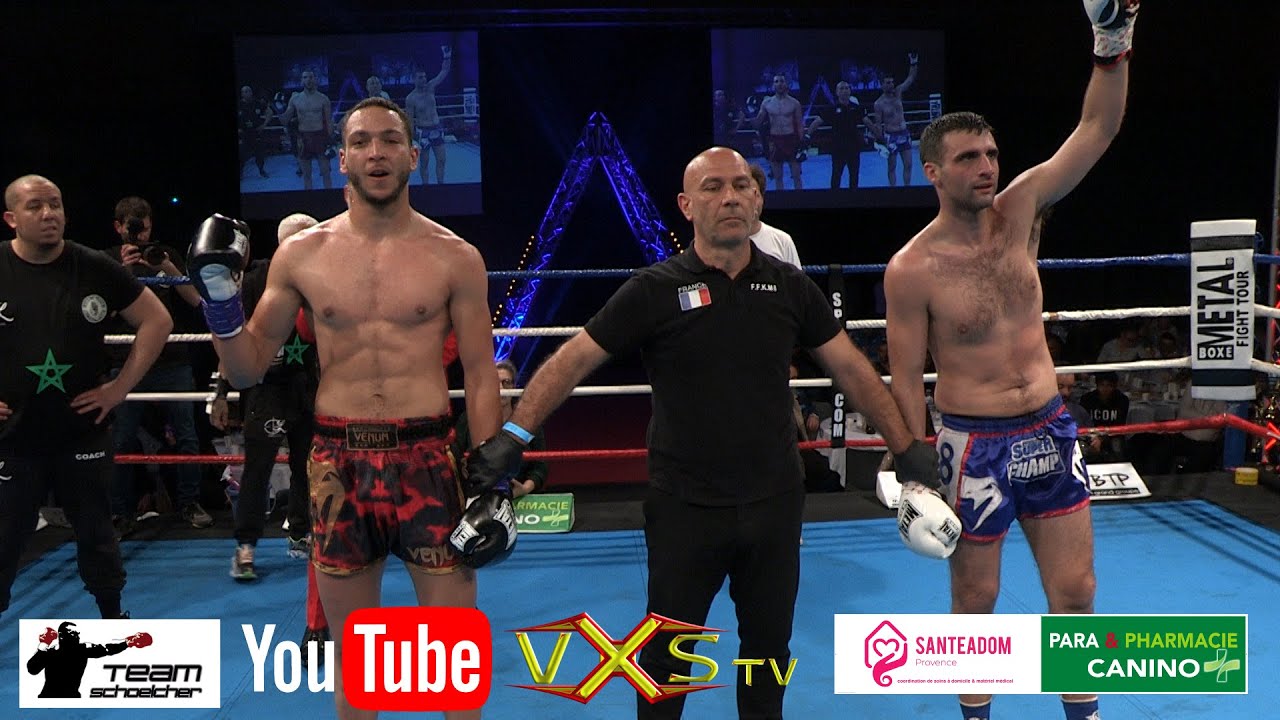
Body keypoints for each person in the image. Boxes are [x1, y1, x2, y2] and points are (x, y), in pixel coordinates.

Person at [461, 147, 939, 720]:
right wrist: (514, 435)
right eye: (713, 187)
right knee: (664, 660)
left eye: (741, 186)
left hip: (773, 502)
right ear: (687, 205)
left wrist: (906, 446)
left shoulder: (790, 287)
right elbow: (574, 360)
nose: (730, 197)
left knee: (768, 654)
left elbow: (852, 370)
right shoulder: (655, 288)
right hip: (685, 506)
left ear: (758, 199)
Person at [188, 96, 503, 720]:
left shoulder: (455, 256)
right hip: (338, 461)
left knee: (454, 664)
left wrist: (490, 476)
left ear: (414, 155)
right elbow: (247, 368)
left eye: (390, 140)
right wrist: (220, 301)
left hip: (428, 459)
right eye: (361, 141)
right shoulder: (301, 255)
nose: (376, 152)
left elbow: (478, 370)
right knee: (358, 665)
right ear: (342, 159)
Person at [882, 3, 1138, 719]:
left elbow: (1097, 128)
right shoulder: (911, 269)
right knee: (977, 598)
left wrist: (1112, 43)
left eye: (991, 154)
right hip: (974, 444)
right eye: (969, 158)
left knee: (1077, 592)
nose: (987, 167)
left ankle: (1084, 714)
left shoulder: (1022, 209)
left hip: (1050, 429)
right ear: (934, 171)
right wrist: (912, 463)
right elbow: (906, 375)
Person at [0, 175, 172, 622]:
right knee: (4, 538)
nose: (49, 214)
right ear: (11, 218)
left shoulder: (94, 265)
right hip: (11, 437)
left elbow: (157, 321)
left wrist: (119, 388)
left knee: (97, 533)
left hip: (81, 432)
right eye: (36, 206)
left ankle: (112, 622)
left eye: (55, 204)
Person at [211, 213, 320, 581]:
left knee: (309, 466)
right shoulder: (256, 280)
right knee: (258, 468)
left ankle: (302, 533)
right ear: (285, 245)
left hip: (312, 384)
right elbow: (230, 337)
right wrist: (221, 392)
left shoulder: (327, 279)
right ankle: (246, 546)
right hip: (267, 387)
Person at [105, 196, 213, 533]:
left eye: (146, 228)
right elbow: (100, 312)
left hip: (171, 360)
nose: (141, 236)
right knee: (122, 440)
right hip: (127, 362)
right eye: (133, 229)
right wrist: (122, 272)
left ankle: (189, 502)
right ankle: (121, 512)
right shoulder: (107, 261)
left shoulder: (163, 254)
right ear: (119, 227)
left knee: (187, 436)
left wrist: (167, 268)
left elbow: (196, 301)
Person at [453, 360, 548, 498]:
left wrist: (524, 489)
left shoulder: (528, 420)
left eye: (506, 382)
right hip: (478, 495)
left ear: (514, 387)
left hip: (520, 497)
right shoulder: (468, 419)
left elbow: (540, 465)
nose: (501, 389)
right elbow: (455, 457)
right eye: (494, 383)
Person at [26, 622, 148, 698]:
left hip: (70, 697)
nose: (77, 637)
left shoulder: (81, 649)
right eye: (73, 634)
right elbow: (33, 669)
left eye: (78, 634)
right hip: (50, 697)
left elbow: (106, 648)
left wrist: (127, 642)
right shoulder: (51, 652)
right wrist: (43, 645)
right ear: (62, 636)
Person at [866, 53, 919, 186]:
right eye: (888, 82)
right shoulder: (879, 103)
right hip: (891, 136)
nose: (891, 84)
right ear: (882, 85)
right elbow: (878, 124)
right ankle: (893, 190)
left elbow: (911, 78)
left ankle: (907, 189)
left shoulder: (898, 92)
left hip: (904, 133)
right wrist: (880, 140)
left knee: (908, 164)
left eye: (892, 82)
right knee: (892, 167)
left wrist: (913, 62)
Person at [804, 80, 868, 189]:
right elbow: (817, 122)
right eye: (841, 88)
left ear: (850, 91)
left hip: (853, 147)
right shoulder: (831, 108)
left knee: (854, 175)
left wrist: (879, 135)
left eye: (846, 88)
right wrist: (807, 135)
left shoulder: (857, 108)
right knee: (836, 176)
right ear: (837, 92)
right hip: (838, 148)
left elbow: (868, 122)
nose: (844, 91)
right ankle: (834, 197)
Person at [404, 47, 453, 185]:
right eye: (420, 77)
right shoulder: (410, 98)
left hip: (436, 128)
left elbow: (444, 71)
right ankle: (426, 187)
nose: (424, 79)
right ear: (414, 79)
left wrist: (447, 56)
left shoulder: (431, 87)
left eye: (425, 76)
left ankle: (440, 185)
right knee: (424, 162)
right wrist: (411, 139)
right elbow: (409, 119)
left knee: (441, 159)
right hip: (423, 131)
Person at [280, 69, 334, 190]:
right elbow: (285, 120)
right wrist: (278, 107)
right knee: (306, 175)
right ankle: (308, 198)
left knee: (326, 172)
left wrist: (330, 141)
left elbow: (329, 121)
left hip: (320, 137)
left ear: (315, 79)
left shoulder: (323, 99)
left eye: (311, 77)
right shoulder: (295, 99)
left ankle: (329, 197)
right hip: (303, 138)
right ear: (301, 80)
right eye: (305, 77)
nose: (308, 80)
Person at [751, 74, 805, 190]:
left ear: (786, 84)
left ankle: (800, 198)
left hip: (791, 140)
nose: (779, 84)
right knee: (778, 176)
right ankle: (781, 198)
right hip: (775, 141)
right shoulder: (767, 103)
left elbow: (800, 124)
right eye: (776, 81)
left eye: (782, 81)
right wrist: (751, 112)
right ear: (773, 84)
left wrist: (802, 144)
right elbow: (758, 122)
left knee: (796, 175)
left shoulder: (794, 103)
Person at [746, 164, 801, 268]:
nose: (751, 201)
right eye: (745, 194)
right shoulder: (718, 241)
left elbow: (796, 278)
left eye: (755, 195)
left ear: (762, 199)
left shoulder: (782, 241)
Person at [238, 85, 273, 179]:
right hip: (243, 133)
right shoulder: (239, 104)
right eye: (244, 91)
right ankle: (240, 172)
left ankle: (261, 170)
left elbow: (269, 112)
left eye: (248, 91)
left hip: (257, 132)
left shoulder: (257, 103)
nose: (246, 93)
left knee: (260, 154)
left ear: (251, 92)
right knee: (242, 154)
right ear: (241, 94)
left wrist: (264, 124)